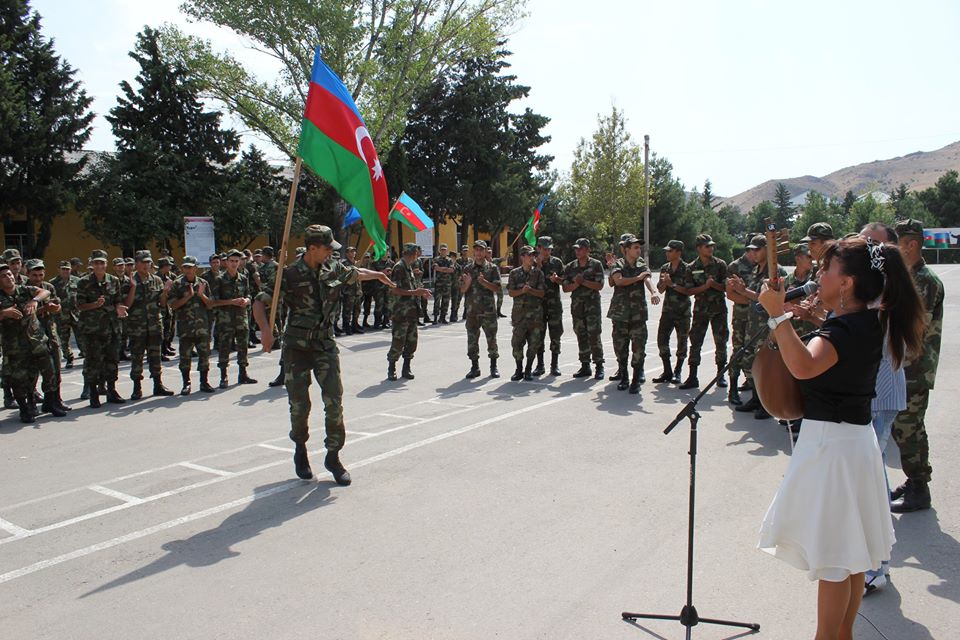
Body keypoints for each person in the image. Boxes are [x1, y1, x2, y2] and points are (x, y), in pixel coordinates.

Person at [756, 235, 924, 640]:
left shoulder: (846, 329)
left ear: (846, 283)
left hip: (832, 450)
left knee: (834, 558)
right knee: (848, 558)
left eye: (825, 269)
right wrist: (811, 321)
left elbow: (802, 366)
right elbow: (832, 346)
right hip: (851, 446)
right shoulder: (862, 321)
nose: (817, 274)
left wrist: (779, 318)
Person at [252, 225, 394, 484]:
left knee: (334, 401)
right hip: (297, 347)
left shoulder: (332, 268)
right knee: (299, 405)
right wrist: (265, 330)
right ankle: (300, 449)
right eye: (328, 248)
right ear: (312, 248)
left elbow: (355, 272)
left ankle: (333, 455)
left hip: (325, 345)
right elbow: (260, 301)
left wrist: (377, 275)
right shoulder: (290, 275)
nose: (332, 252)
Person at [889, 218, 944, 513]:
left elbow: (914, 324)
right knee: (905, 427)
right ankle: (916, 481)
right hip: (904, 366)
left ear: (911, 244)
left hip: (916, 368)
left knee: (908, 427)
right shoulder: (909, 277)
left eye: (898, 242)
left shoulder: (925, 281)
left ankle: (920, 489)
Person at [726, 234, 787, 419]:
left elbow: (769, 297)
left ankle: (767, 404)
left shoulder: (775, 272)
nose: (753, 252)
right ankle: (756, 398)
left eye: (757, 249)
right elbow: (752, 298)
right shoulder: (755, 270)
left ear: (767, 250)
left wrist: (744, 290)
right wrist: (742, 291)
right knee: (749, 363)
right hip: (752, 325)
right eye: (751, 249)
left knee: (765, 366)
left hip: (766, 327)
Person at [0, 263, 62, 422]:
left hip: (37, 341)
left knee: (49, 371)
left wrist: (34, 300)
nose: (9, 277)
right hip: (15, 346)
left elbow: (45, 291)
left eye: (9, 274)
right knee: (20, 378)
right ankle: (24, 408)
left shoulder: (25, 289)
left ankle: (51, 403)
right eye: (4, 276)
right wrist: (3, 313)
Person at [76, 250, 128, 407]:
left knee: (112, 360)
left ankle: (111, 390)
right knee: (93, 361)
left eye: (102, 263)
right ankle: (93, 393)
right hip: (92, 330)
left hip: (111, 328)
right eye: (96, 262)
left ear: (106, 264)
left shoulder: (113, 281)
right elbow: (79, 306)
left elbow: (118, 300)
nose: (99, 265)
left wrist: (120, 308)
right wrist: (94, 305)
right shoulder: (83, 282)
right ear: (91, 264)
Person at [608, 234, 659, 392]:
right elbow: (619, 281)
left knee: (639, 348)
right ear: (627, 249)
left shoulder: (641, 263)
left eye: (639, 247)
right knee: (620, 348)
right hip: (620, 314)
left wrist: (654, 292)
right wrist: (637, 277)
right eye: (635, 247)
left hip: (638, 314)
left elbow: (647, 279)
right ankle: (624, 377)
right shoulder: (618, 264)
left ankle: (636, 380)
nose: (639, 250)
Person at [679, 234, 728, 390]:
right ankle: (692, 376)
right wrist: (705, 287)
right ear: (699, 248)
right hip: (700, 311)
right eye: (707, 246)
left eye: (712, 246)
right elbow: (688, 290)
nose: (711, 248)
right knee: (695, 343)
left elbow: (726, 288)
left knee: (721, 342)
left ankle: (721, 376)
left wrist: (714, 284)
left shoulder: (720, 265)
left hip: (718, 309)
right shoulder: (691, 267)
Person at [124, 250, 175, 399]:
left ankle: (158, 385)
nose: (147, 265)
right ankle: (137, 388)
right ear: (137, 264)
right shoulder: (129, 281)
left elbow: (162, 304)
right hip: (137, 327)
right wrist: (133, 287)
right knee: (137, 357)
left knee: (156, 356)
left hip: (154, 325)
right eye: (143, 262)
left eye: (149, 262)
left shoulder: (157, 280)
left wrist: (165, 292)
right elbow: (127, 305)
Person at [24, 260, 69, 417]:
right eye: (34, 275)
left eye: (41, 274)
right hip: (33, 336)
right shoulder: (24, 290)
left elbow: (57, 304)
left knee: (55, 367)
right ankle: (30, 402)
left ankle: (54, 400)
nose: (38, 278)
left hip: (50, 331)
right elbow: (25, 314)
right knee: (33, 371)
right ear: (27, 274)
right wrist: (44, 308)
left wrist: (56, 308)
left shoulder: (48, 287)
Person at [168, 256, 215, 395]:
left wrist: (201, 295)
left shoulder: (203, 283)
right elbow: (173, 305)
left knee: (204, 356)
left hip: (202, 326)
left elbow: (210, 304)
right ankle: (186, 383)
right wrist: (188, 296)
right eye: (186, 267)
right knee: (185, 358)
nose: (188, 270)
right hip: (185, 328)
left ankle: (204, 382)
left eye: (191, 267)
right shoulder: (177, 284)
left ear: (196, 268)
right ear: (182, 268)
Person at [210, 249, 257, 387]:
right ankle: (223, 376)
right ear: (226, 262)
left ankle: (243, 374)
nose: (234, 264)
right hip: (225, 320)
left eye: (237, 261)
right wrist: (231, 301)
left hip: (242, 319)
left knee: (243, 347)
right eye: (231, 261)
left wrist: (247, 301)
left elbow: (249, 294)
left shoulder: (243, 278)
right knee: (224, 347)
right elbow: (214, 301)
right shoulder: (219, 279)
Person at [386, 243, 432, 380]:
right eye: (416, 253)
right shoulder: (399, 267)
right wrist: (415, 292)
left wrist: (421, 292)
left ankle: (406, 368)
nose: (417, 255)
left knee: (412, 341)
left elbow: (412, 287)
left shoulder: (408, 267)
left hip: (411, 312)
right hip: (401, 312)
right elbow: (394, 289)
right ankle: (391, 368)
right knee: (398, 341)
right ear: (411, 253)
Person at [563, 238, 605, 380]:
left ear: (588, 250)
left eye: (580, 248)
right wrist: (576, 284)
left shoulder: (596, 264)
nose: (577, 251)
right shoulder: (570, 266)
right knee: (581, 334)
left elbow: (599, 286)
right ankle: (585, 365)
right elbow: (565, 288)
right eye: (576, 248)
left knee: (594, 334)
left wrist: (584, 282)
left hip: (592, 306)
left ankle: (599, 365)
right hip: (577, 307)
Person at [461, 240, 502, 379]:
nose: (478, 253)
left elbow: (497, 288)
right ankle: (474, 367)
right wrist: (467, 284)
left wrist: (485, 282)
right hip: (472, 311)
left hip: (488, 310)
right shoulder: (467, 269)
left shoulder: (492, 268)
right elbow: (461, 290)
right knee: (472, 339)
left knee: (491, 338)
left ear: (485, 252)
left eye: (481, 250)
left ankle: (493, 366)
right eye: (476, 250)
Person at [654, 240, 692, 384]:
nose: (667, 253)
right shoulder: (665, 268)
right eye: (667, 250)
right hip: (668, 311)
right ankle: (667, 370)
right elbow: (660, 289)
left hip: (683, 312)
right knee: (662, 340)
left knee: (682, 342)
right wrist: (664, 283)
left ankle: (678, 371)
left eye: (670, 251)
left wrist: (672, 284)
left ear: (678, 252)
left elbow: (688, 290)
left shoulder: (687, 268)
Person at [507, 245, 546, 381]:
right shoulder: (514, 273)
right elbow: (511, 292)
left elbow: (542, 293)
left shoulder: (538, 273)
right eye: (529, 255)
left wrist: (530, 291)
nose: (532, 258)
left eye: (533, 255)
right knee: (517, 343)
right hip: (519, 316)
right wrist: (522, 291)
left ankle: (528, 369)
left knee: (533, 344)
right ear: (522, 257)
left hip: (535, 316)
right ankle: (519, 369)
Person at [725, 245, 755, 403]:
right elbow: (730, 294)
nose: (757, 254)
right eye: (754, 250)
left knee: (756, 353)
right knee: (738, 351)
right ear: (749, 250)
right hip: (742, 317)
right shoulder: (735, 267)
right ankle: (733, 389)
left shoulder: (763, 266)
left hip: (759, 318)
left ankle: (754, 388)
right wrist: (754, 303)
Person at [49, 260, 80, 369]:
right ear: (59, 270)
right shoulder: (53, 283)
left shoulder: (77, 281)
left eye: (68, 269)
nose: (66, 271)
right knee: (64, 339)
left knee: (81, 336)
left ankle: (86, 354)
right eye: (63, 269)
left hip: (76, 314)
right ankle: (69, 358)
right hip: (61, 316)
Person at [432, 244, 455, 323]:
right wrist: (445, 269)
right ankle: (435, 317)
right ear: (439, 251)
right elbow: (435, 268)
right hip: (438, 284)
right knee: (437, 301)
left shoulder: (449, 260)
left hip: (447, 284)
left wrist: (441, 269)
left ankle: (443, 317)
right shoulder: (436, 259)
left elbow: (451, 270)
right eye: (442, 250)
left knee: (446, 301)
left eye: (444, 250)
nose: (443, 251)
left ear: (447, 251)